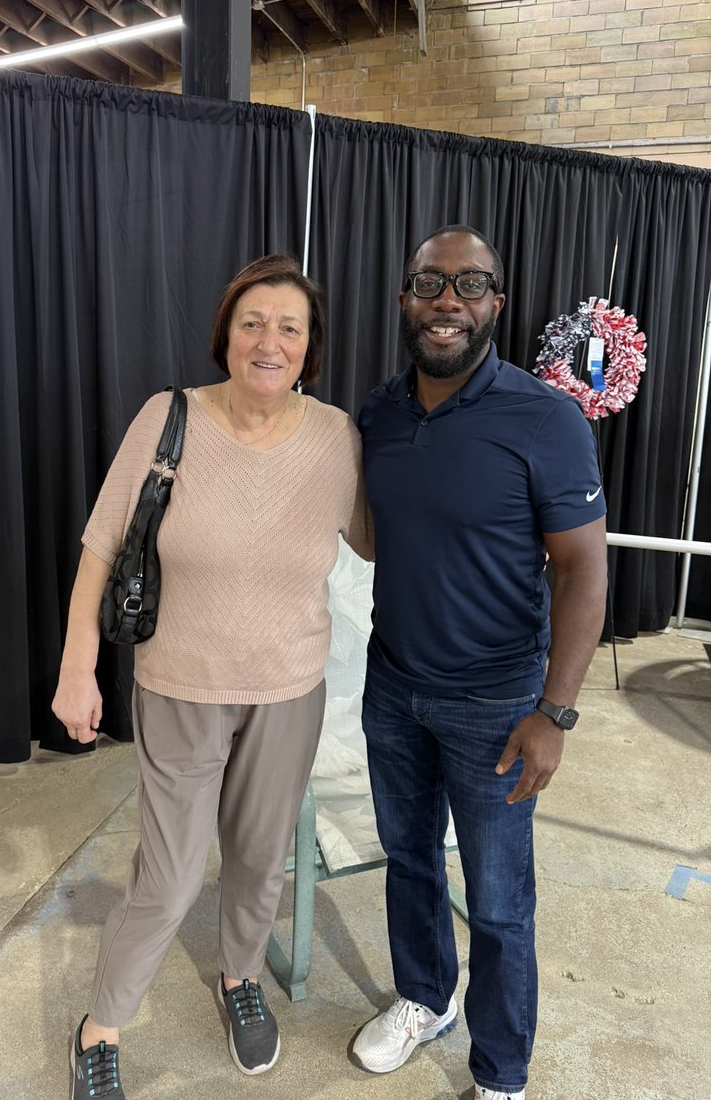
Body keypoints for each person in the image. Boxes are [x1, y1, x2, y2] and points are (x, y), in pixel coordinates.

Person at [52, 253, 373, 1099]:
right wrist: (76, 666)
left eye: (290, 329)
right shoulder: (171, 418)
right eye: (253, 323)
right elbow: (100, 546)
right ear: (226, 335)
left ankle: (240, 979)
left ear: (311, 349)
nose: (270, 342)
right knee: (167, 876)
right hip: (180, 686)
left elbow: (383, 537)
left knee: (261, 859)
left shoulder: (338, 438)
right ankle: (100, 1026)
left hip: (290, 689)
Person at [352, 225, 607, 1100]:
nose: (447, 301)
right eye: (429, 282)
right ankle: (427, 997)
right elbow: (374, 538)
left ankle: (502, 1072)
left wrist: (556, 712)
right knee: (410, 860)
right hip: (393, 690)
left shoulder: (545, 418)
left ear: (497, 302)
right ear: (404, 301)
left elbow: (582, 571)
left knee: (500, 902)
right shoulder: (378, 411)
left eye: (469, 284)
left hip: (496, 705)